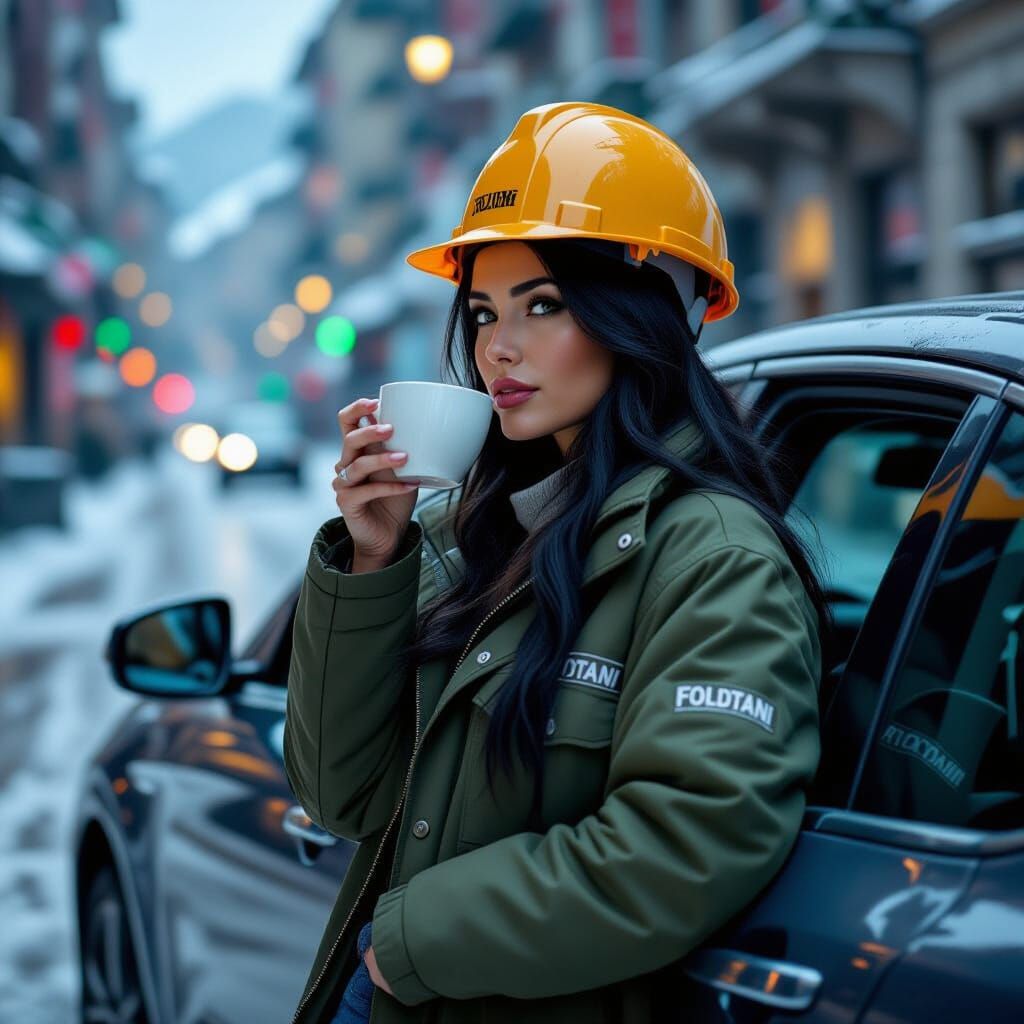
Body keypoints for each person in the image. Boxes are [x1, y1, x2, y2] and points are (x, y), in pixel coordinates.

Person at [284, 101, 830, 1024]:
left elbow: (687, 841)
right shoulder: (473, 536)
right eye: (486, 310)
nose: (499, 346)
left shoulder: (715, 561)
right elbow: (343, 793)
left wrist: (413, 940)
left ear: (641, 317)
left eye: (545, 306)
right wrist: (374, 558)